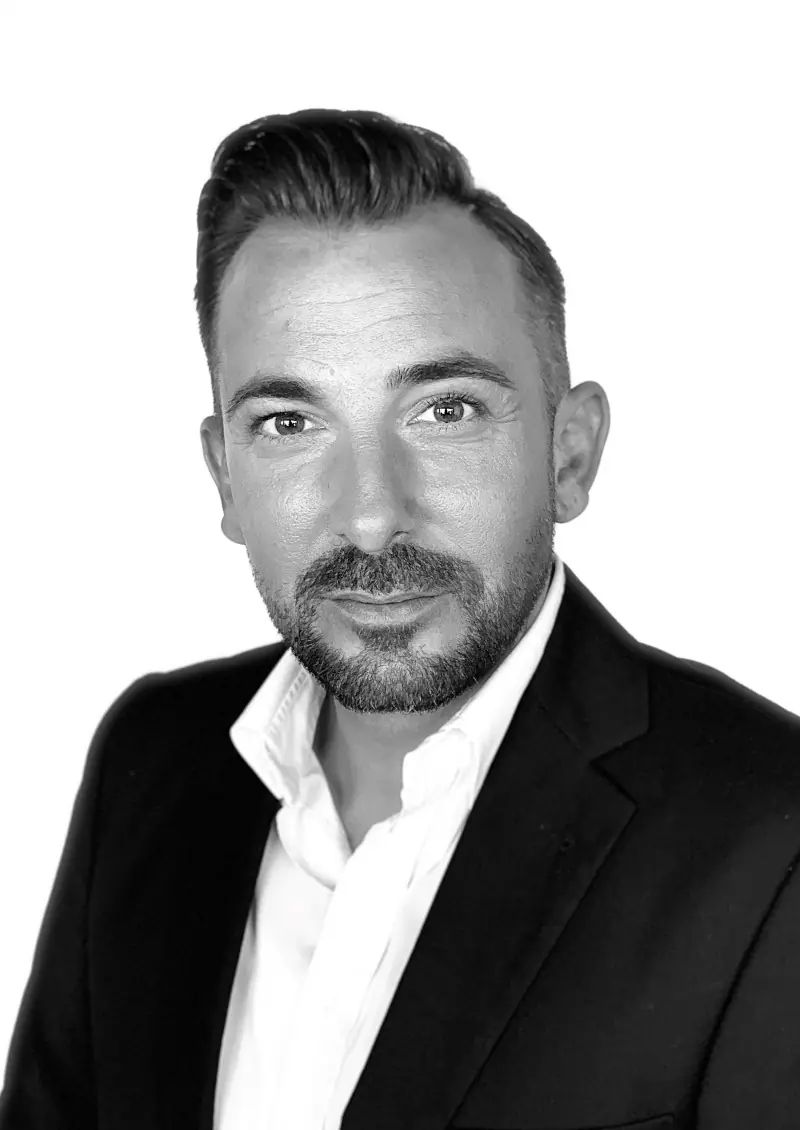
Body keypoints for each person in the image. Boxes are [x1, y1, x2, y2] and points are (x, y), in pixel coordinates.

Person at [2, 108, 799, 1130]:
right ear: (226, 479)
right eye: (289, 423)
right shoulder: (148, 763)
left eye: (445, 411)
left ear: (569, 454)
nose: (371, 514)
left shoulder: (769, 839)